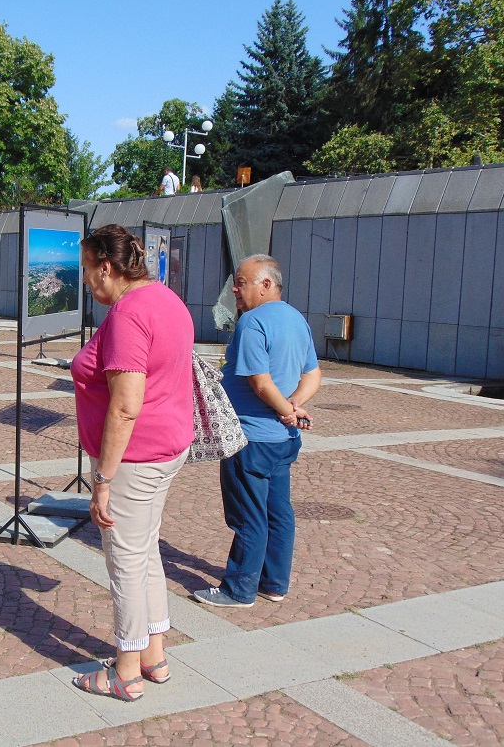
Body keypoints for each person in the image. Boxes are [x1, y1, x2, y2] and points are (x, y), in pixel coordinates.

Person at [69, 224, 194, 701]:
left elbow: (125, 405)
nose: (85, 280)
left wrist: (102, 479)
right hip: (166, 448)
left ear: (106, 266)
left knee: (124, 560)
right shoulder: (167, 299)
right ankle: (153, 655)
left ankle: (125, 671)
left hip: (135, 458)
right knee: (145, 551)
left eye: (86, 269)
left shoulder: (128, 314)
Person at [192, 255, 321, 608]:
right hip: (281, 440)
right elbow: (313, 374)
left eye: (241, 282)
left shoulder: (252, 322)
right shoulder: (296, 319)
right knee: (278, 512)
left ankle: (239, 590)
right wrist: (294, 405)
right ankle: (274, 584)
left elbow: (260, 383)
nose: (235, 289)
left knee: (248, 515)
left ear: (265, 285)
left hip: (250, 438)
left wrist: (288, 411)